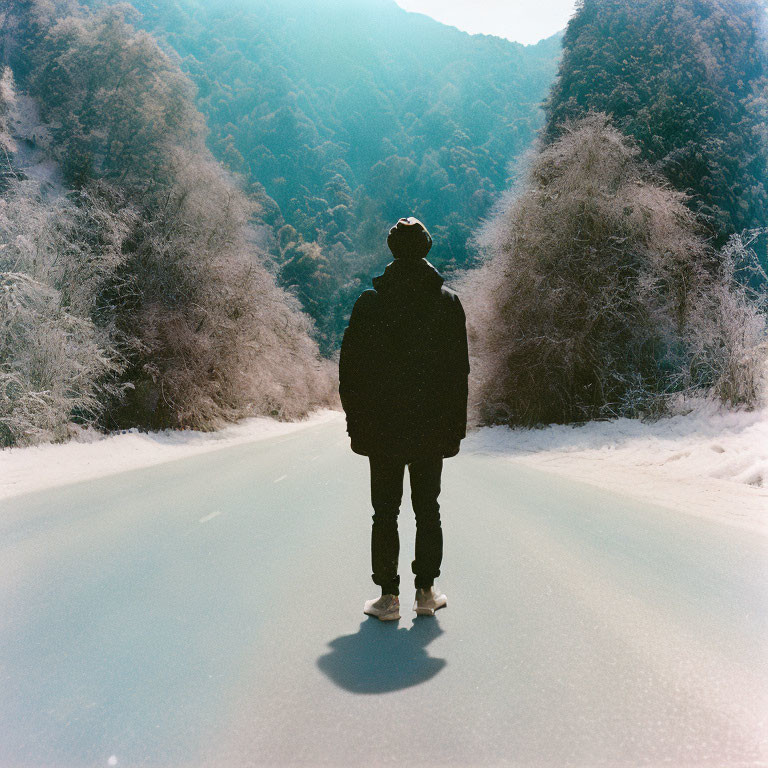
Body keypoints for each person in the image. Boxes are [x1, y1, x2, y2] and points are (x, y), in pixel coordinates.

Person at [339, 216, 470, 621]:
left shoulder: (370, 303)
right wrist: (455, 429)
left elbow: (350, 373)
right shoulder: (447, 302)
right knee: (428, 508)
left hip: (383, 429)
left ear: (392, 250)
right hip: (431, 427)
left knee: (386, 512)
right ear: (427, 248)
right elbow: (458, 372)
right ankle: (426, 593)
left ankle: (388, 598)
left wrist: (356, 423)